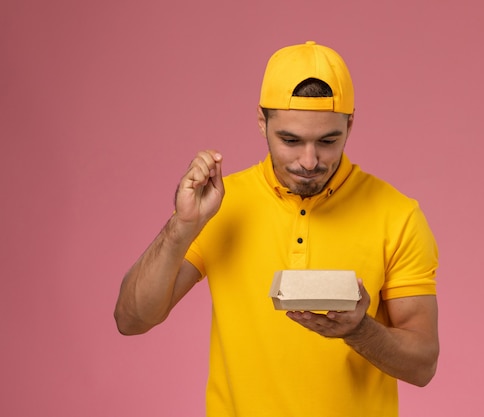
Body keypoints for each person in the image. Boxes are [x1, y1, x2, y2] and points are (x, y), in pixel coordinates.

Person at [114, 40, 439, 417]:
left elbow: (422, 364)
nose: (309, 160)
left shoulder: (397, 215)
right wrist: (182, 225)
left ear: (350, 124)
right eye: (290, 140)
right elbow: (131, 319)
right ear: (261, 122)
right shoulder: (222, 203)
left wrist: (358, 330)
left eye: (328, 141)